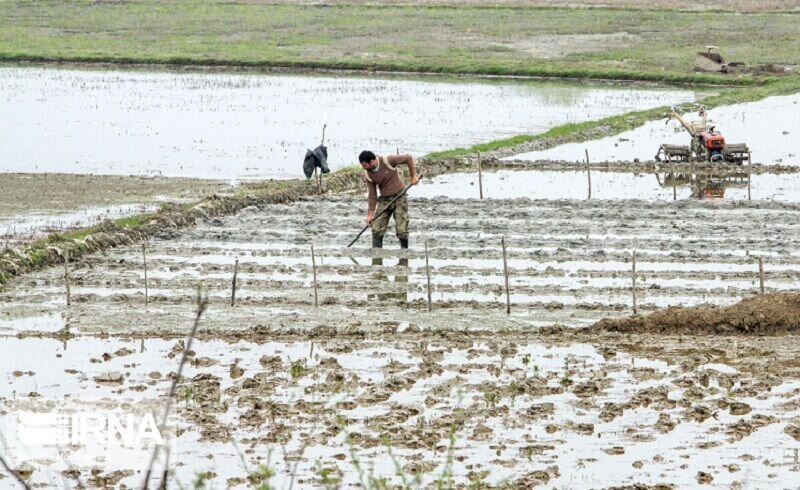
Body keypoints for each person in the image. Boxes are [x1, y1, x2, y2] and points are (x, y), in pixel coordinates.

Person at [359, 150, 419, 249]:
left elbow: (408, 157)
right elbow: (372, 195)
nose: (364, 168)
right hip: (384, 200)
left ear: (372, 161)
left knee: (401, 229)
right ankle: (377, 257)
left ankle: (404, 256)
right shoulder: (368, 174)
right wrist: (370, 214)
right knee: (376, 229)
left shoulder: (388, 161)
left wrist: (413, 176)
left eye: (365, 166)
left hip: (399, 197)